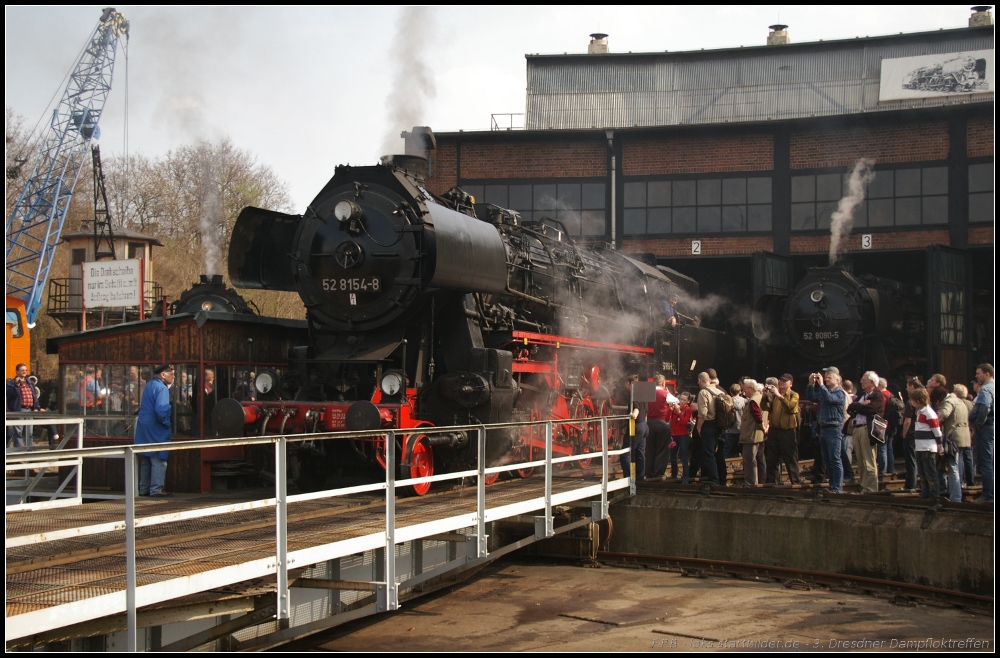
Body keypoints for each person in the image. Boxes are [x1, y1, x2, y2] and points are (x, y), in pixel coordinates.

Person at [135, 364, 175, 497]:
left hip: (144, 427)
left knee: (147, 459)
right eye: (171, 374)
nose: (174, 377)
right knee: (159, 459)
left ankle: (143, 489)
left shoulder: (150, 385)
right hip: (157, 428)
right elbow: (161, 409)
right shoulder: (162, 389)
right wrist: (167, 423)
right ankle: (156, 490)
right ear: (163, 375)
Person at [806, 367, 848, 493]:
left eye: (829, 377)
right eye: (826, 377)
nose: (826, 379)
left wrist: (822, 385)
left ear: (837, 380)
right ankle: (832, 485)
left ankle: (837, 487)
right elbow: (812, 398)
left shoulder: (839, 393)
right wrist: (811, 384)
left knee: (835, 459)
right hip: (823, 429)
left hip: (834, 429)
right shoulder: (825, 392)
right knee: (827, 459)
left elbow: (830, 399)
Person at [847, 371, 884, 494]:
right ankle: (863, 487)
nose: (861, 382)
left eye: (864, 380)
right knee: (861, 461)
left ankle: (872, 489)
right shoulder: (863, 395)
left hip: (867, 429)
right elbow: (850, 407)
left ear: (872, 382)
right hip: (857, 429)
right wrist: (860, 405)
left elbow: (870, 409)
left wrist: (859, 406)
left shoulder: (877, 395)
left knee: (869, 460)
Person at [931, 384, 968, 503]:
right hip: (963, 437)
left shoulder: (949, 401)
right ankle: (959, 492)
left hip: (954, 438)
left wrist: (934, 422)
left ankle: (955, 498)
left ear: (938, 399)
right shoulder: (959, 400)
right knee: (959, 466)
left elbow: (945, 414)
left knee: (953, 468)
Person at [762, 373, 801, 485]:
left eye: (784, 382)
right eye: (780, 381)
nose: (782, 384)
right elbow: (765, 408)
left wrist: (778, 395)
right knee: (772, 459)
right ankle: (772, 482)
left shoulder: (794, 395)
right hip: (774, 431)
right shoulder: (774, 396)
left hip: (787, 432)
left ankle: (795, 482)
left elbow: (790, 407)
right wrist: (765, 396)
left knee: (790, 458)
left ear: (790, 384)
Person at [911, 387, 943, 505]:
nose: (912, 403)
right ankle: (925, 493)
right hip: (920, 446)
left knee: (930, 472)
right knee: (922, 473)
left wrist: (939, 445)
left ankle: (934, 495)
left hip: (927, 447)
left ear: (919, 400)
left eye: (914, 400)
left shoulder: (929, 412)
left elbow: (936, 430)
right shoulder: (920, 412)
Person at [695, 371, 726, 485]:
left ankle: (714, 479)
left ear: (700, 380)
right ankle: (722, 478)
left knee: (708, 453)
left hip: (708, 425)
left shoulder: (703, 392)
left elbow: (703, 413)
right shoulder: (719, 391)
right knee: (719, 453)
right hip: (719, 425)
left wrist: (699, 427)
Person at [969, 363, 995, 503]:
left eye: (978, 373)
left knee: (986, 462)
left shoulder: (985, 390)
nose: (976, 376)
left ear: (987, 374)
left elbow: (984, 407)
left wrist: (977, 425)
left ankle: (987, 495)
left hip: (986, 428)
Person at [645, 374, 673, 480]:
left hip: (649, 423)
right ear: (663, 383)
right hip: (662, 424)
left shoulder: (648, 393)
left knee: (650, 449)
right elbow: (676, 404)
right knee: (662, 450)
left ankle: (649, 473)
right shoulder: (666, 394)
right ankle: (658, 473)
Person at [6, 363, 40, 450]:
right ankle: (19, 451)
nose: (24, 372)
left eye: (25, 370)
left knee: (29, 432)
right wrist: (17, 386)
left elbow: (34, 396)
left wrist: (36, 407)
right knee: (18, 432)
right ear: (17, 371)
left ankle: (30, 451)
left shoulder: (30, 382)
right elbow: (10, 395)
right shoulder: (11, 383)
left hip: (30, 410)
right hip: (19, 409)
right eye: (22, 370)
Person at [739, 379, 766, 485]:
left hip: (751, 434)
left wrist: (763, 426)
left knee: (750, 460)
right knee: (760, 459)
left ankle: (751, 483)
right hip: (759, 434)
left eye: (745, 389)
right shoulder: (761, 397)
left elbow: (757, 417)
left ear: (750, 389)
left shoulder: (753, 401)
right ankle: (761, 480)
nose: (744, 392)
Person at [622, 375, 648, 483]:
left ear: (628, 383)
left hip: (636, 427)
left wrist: (634, 415)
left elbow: (636, 406)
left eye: (625, 384)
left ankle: (629, 478)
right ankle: (640, 478)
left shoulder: (634, 394)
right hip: (644, 426)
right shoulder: (643, 393)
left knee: (625, 453)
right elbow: (646, 410)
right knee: (639, 452)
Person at [900, 376, 923, 492]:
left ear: (912, 387)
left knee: (911, 461)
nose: (906, 388)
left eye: (907, 386)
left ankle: (911, 484)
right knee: (918, 460)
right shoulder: (923, 400)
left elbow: (907, 420)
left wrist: (904, 434)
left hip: (911, 434)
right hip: (920, 433)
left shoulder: (910, 402)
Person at [952, 383, 976, 489]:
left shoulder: (957, 404)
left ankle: (960, 482)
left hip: (960, 433)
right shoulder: (971, 404)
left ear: (956, 393)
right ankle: (971, 481)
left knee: (960, 458)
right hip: (969, 432)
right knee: (969, 457)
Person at [669, 392, 693, 482]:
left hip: (683, 435)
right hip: (674, 435)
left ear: (688, 401)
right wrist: (670, 409)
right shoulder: (675, 408)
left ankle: (685, 477)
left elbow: (684, 422)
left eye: (684, 400)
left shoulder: (688, 410)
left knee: (684, 456)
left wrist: (679, 412)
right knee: (672, 456)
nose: (682, 401)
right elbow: (669, 419)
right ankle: (674, 475)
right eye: (681, 399)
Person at [877, 377, 897, 477]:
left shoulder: (881, 396)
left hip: (883, 425)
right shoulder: (891, 395)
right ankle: (891, 469)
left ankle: (883, 471)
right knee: (890, 448)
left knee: (882, 448)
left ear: (880, 385)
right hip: (892, 425)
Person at [724, 383, 745, 460]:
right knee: (744, 449)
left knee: (725, 449)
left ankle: (721, 466)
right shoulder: (745, 401)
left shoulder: (727, 401)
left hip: (730, 428)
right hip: (742, 428)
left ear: (730, 392)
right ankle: (745, 466)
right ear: (740, 392)